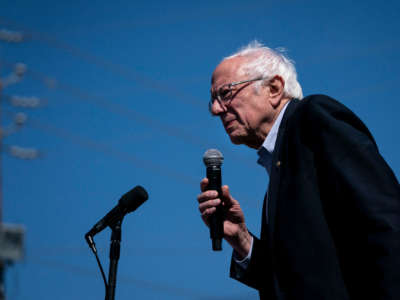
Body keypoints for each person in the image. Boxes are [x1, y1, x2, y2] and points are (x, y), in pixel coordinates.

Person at [197, 41, 400, 300]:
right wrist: (242, 239)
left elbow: (385, 220)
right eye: (213, 101)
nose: (216, 109)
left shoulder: (313, 118)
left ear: (274, 88)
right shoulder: (277, 173)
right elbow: (291, 280)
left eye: (225, 93)